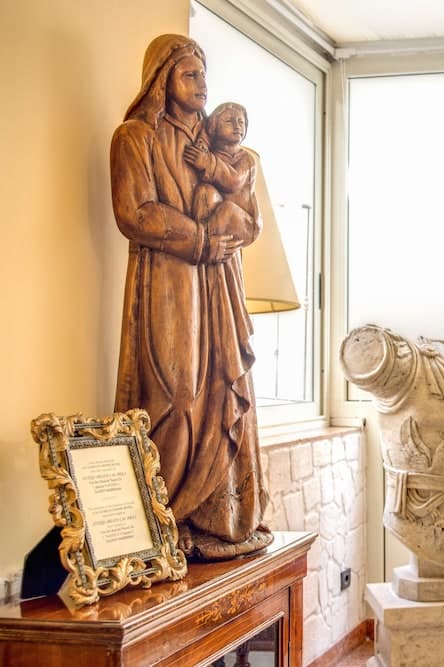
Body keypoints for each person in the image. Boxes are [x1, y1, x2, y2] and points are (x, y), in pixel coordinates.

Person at [110, 34, 272, 560]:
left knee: (222, 391)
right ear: (163, 78)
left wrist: (230, 229)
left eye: (205, 75)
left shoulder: (220, 147)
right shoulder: (135, 137)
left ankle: (213, 516)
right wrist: (200, 238)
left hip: (219, 283)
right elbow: (134, 212)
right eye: (190, 74)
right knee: (176, 396)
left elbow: (251, 216)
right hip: (169, 279)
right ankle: (163, 519)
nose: (203, 84)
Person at [185, 101, 258, 235]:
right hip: (220, 218)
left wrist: (207, 162)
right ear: (214, 127)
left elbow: (233, 181)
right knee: (204, 191)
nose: (237, 126)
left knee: (227, 209)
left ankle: (203, 238)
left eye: (241, 122)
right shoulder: (213, 154)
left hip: (246, 224)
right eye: (229, 121)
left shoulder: (247, 159)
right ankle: (204, 236)